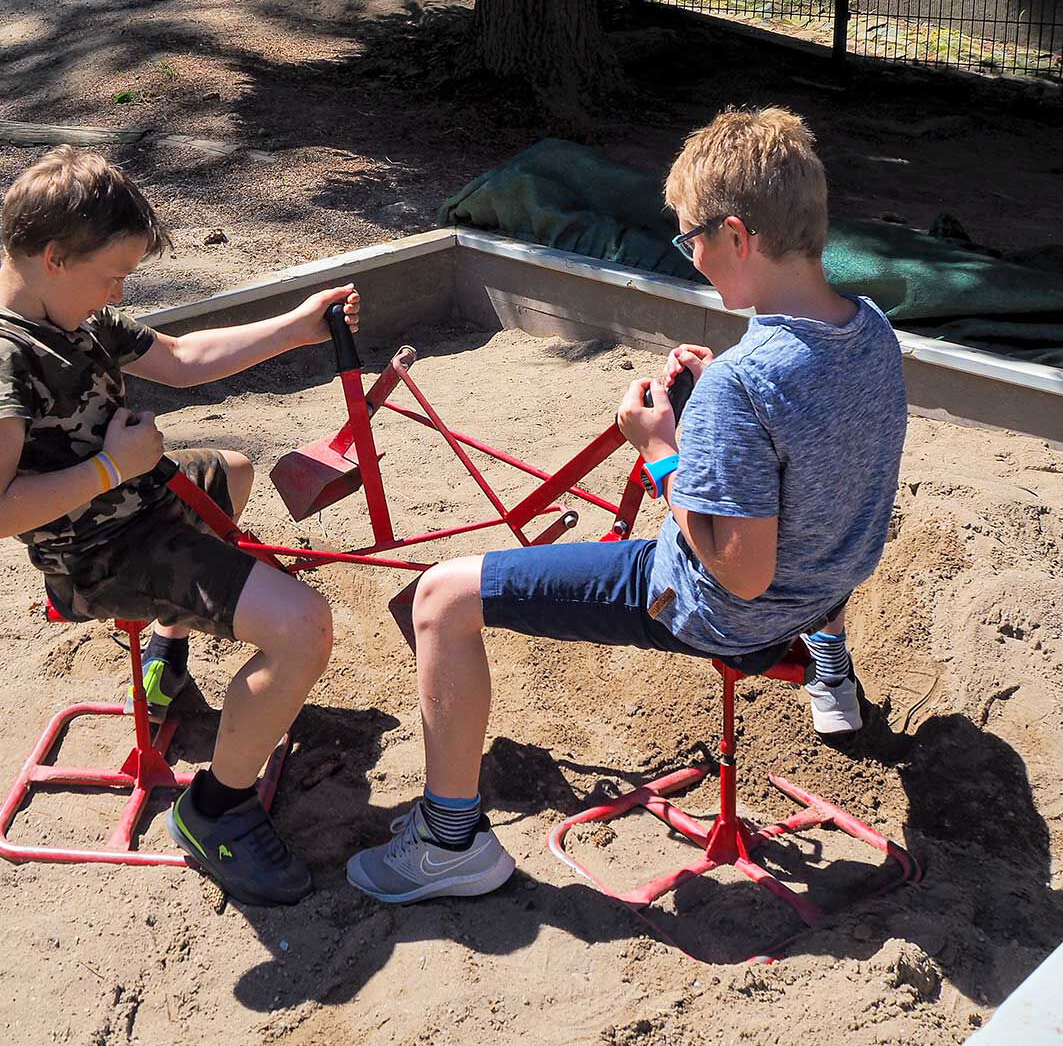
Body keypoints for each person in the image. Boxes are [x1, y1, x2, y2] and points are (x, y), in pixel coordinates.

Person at [346, 106, 908, 904]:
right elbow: (814, 447)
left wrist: (658, 447)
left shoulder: (748, 384)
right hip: (826, 585)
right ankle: (828, 664)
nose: (694, 258)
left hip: (726, 609)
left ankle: (447, 845)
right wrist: (715, 400)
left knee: (442, 596)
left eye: (693, 240)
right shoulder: (872, 331)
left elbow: (739, 573)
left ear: (738, 236)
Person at [0, 145, 358, 907]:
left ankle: (165, 663)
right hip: (100, 552)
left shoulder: (73, 312)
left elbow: (180, 356)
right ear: (53, 257)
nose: (120, 291)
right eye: (114, 275)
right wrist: (112, 468)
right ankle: (216, 814)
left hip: (143, 502)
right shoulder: (0, 356)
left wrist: (295, 328)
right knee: (304, 626)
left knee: (232, 469)